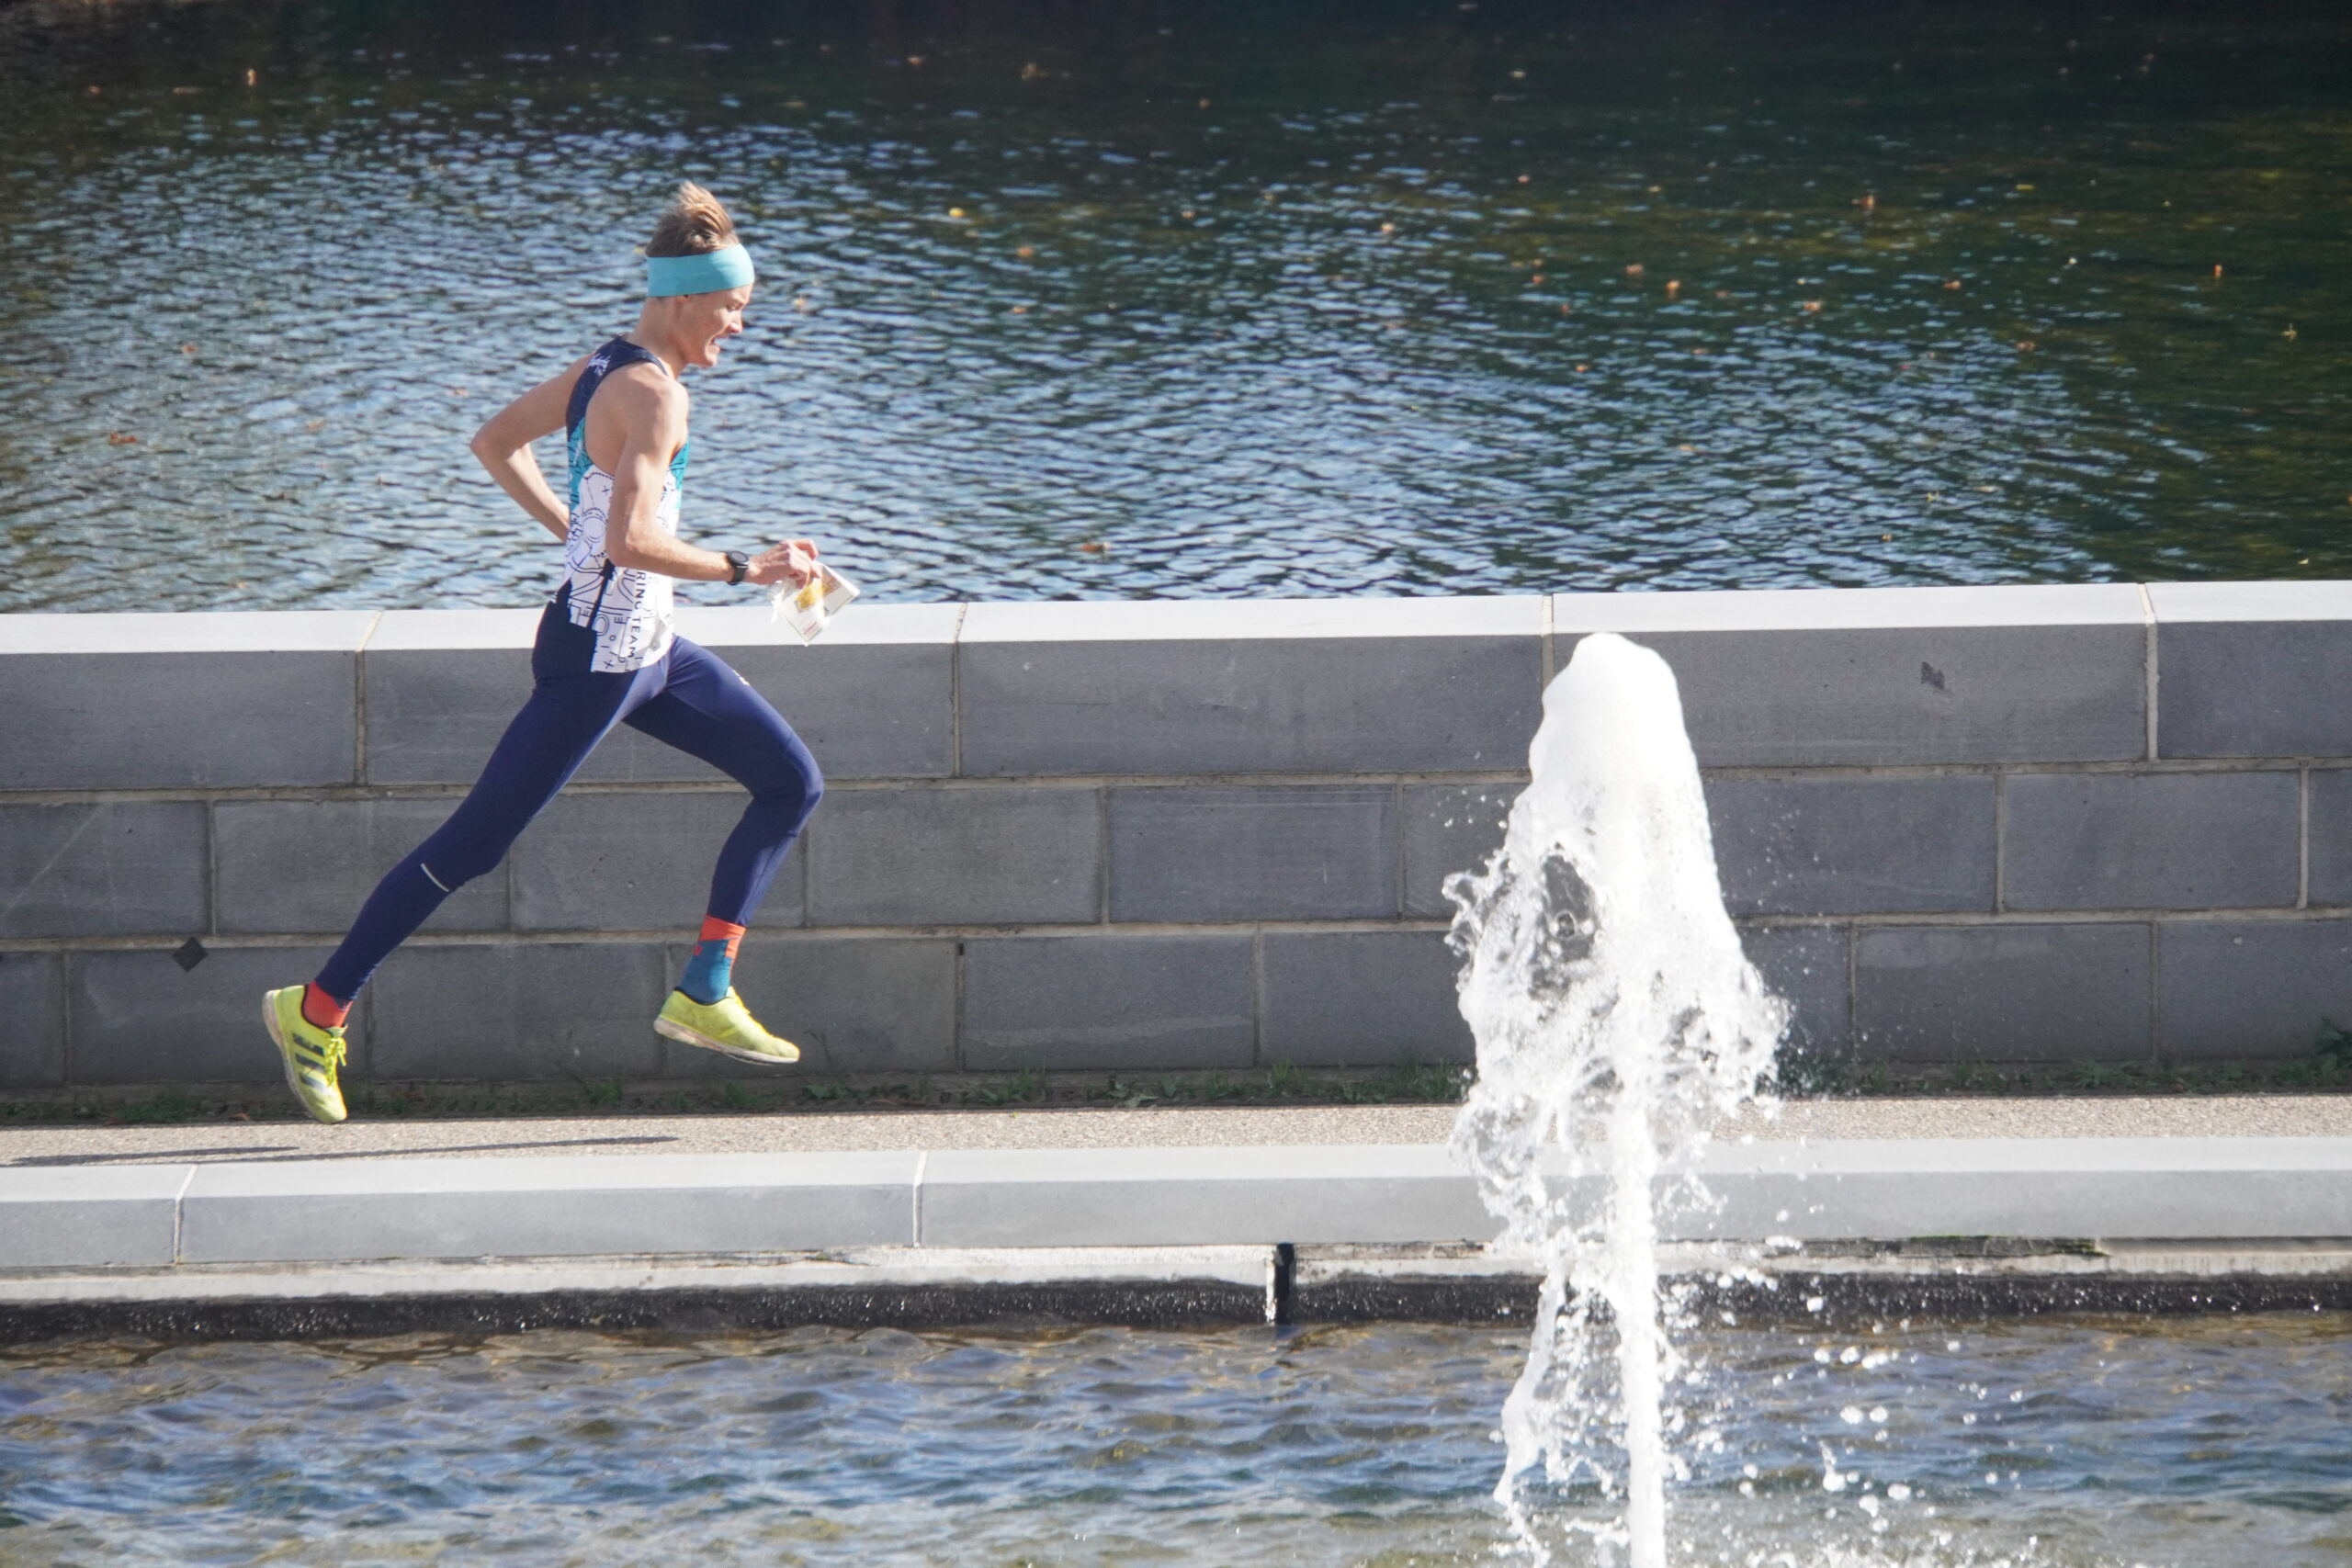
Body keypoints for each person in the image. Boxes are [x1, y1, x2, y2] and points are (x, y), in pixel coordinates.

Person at [262, 182, 824, 1124]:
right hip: (595, 663)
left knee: (792, 781)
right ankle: (314, 1011)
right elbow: (630, 544)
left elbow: (495, 443)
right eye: (732, 307)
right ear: (684, 297)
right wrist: (745, 567)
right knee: (471, 847)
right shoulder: (655, 396)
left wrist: (572, 528)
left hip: (650, 650)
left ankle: (705, 987)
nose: (739, 325)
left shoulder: (606, 365)